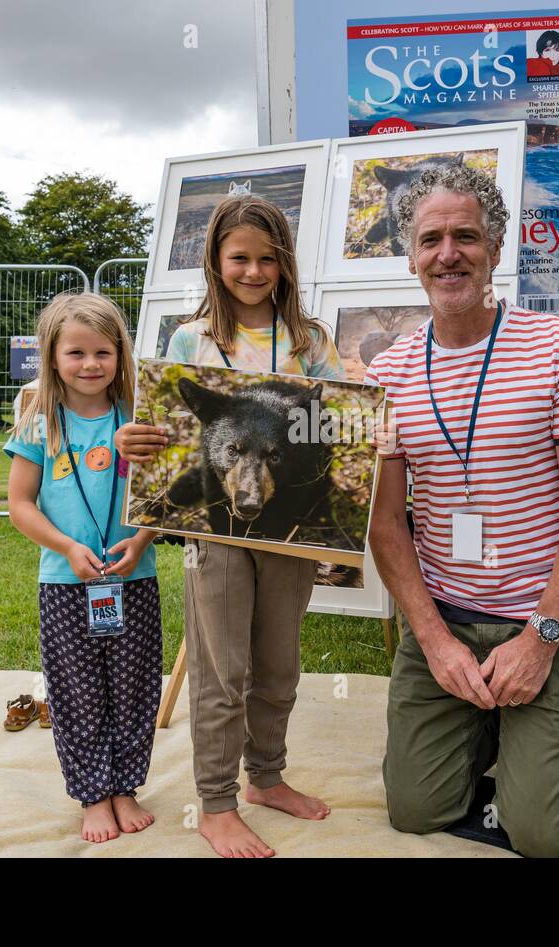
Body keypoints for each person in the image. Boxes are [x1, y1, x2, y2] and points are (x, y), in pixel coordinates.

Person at [364, 163, 559, 858]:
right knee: (416, 810)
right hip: (446, 618)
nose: (448, 253)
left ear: (496, 249)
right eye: (431, 239)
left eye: (466, 236)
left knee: (541, 837)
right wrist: (436, 641)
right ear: (410, 253)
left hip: (549, 617)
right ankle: (497, 720)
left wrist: (541, 637)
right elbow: (387, 525)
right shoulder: (386, 375)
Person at [116, 195, 346, 858]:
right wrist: (138, 438)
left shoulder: (311, 340)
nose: (253, 270)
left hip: (286, 532)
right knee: (220, 665)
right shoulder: (192, 339)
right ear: (215, 261)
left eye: (267, 258)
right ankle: (215, 801)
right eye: (239, 257)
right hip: (214, 534)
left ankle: (266, 777)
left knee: (277, 661)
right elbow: (162, 432)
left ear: (285, 263)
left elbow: (335, 422)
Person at [5, 292, 161, 843]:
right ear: (52, 357)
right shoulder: (38, 423)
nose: (91, 364)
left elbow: (168, 490)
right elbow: (20, 505)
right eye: (76, 353)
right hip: (66, 584)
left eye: (103, 352)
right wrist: (68, 547)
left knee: (135, 687)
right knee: (77, 692)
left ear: (121, 355)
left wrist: (142, 540)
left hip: (133, 579)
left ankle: (125, 787)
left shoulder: (141, 419)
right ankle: (92, 794)